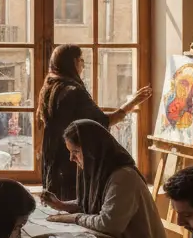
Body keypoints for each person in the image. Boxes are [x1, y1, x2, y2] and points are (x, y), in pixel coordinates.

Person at [41, 119, 170, 238]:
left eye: (75, 152)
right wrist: (61, 206)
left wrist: (74, 217)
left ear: (92, 150)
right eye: (70, 152)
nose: (71, 158)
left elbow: (108, 224)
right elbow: (94, 203)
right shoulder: (100, 171)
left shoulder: (123, 177)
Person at [37, 45, 151, 200]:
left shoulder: (49, 88)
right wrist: (132, 103)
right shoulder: (74, 91)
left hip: (53, 160)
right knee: (75, 207)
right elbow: (103, 122)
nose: (83, 64)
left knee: (59, 206)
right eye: (81, 60)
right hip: (72, 161)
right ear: (73, 62)